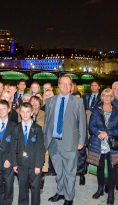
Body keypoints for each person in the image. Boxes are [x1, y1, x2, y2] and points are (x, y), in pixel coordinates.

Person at [43, 74, 86, 205]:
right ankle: (60, 192)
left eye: (68, 83)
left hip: (70, 143)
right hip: (53, 143)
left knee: (70, 172)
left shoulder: (78, 102)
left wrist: (81, 141)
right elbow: (47, 123)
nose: (65, 85)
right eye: (63, 83)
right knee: (59, 172)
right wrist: (46, 140)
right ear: (59, 85)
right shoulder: (51, 101)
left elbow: (83, 123)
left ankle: (69, 197)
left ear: (71, 86)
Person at [88, 88, 118, 205]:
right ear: (102, 97)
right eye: (105, 95)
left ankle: (111, 194)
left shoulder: (117, 112)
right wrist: (99, 133)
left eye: (109, 96)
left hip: (111, 145)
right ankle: (100, 189)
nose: (107, 98)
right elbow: (91, 126)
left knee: (111, 168)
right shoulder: (96, 110)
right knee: (99, 167)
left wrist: (107, 133)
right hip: (98, 143)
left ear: (112, 97)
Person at [12, 102, 45, 205]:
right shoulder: (16, 128)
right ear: (20, 113)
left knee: (35, 188)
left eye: (27, 112)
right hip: (21, 164)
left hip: (34, 163)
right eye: (22, 112)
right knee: (22, 187)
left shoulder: (38, 128)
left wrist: (38, 165)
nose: (25, 114)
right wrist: (14, 164)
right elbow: (13, 148)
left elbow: (40, 148)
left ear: (32, 113)